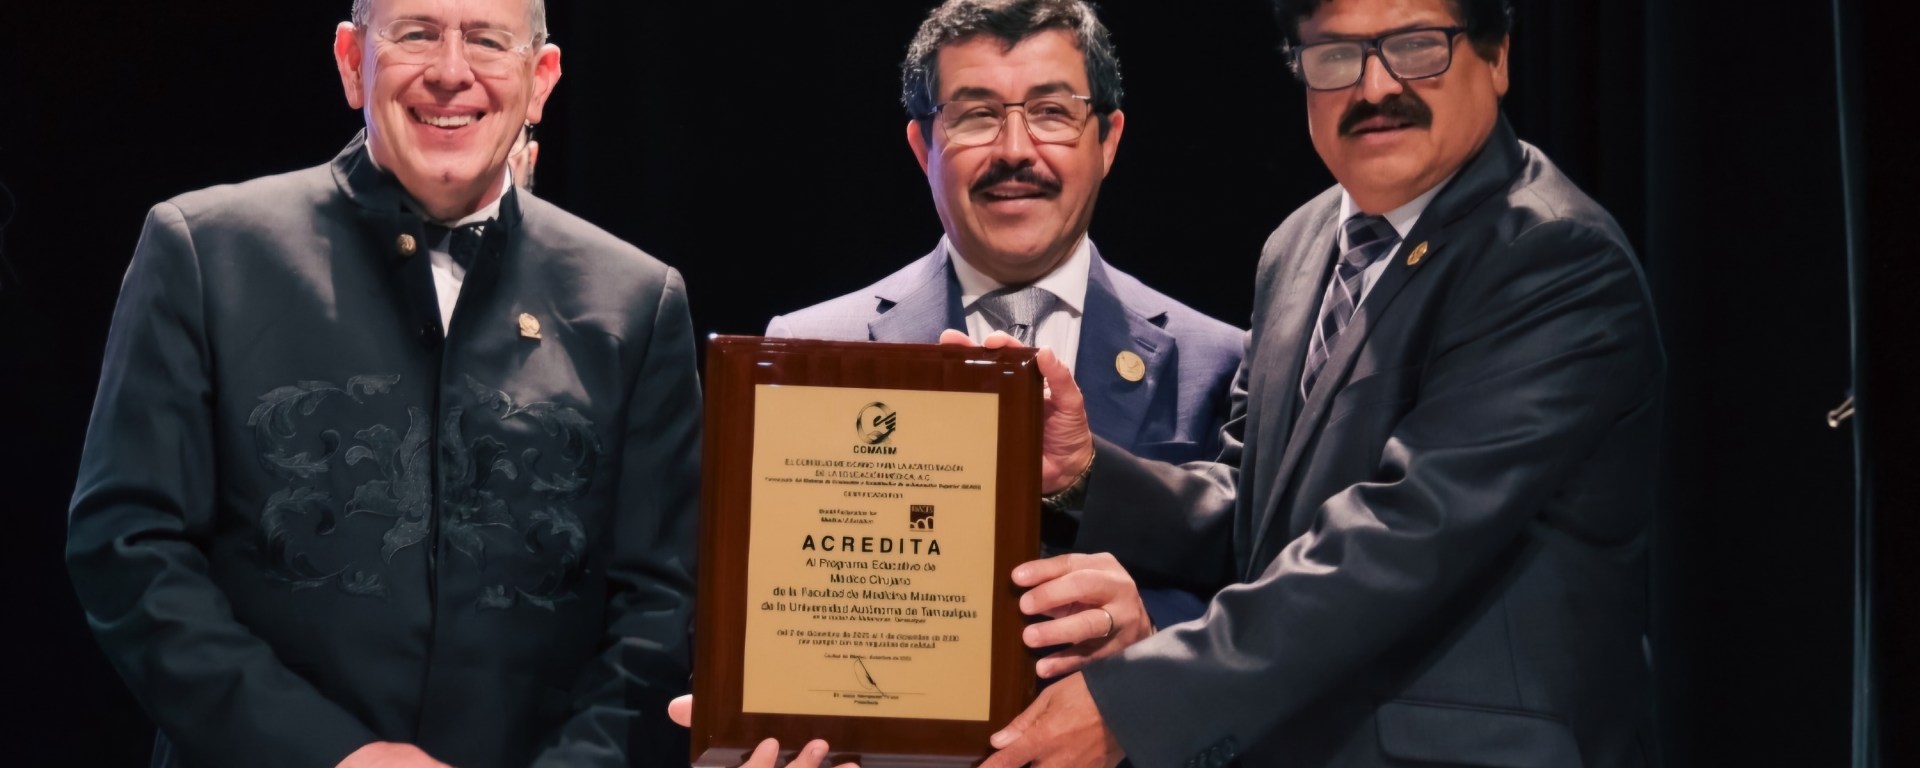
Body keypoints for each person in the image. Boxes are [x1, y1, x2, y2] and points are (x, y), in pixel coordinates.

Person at [971, 0, 1666, 765]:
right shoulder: (1299, 246)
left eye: (1416, 46)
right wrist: (1083, 474)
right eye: (1335, 54)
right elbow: (1258, 510)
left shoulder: (1552, 255)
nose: (1375, 87)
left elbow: (1403, 535)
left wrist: (1132, 706)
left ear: (1496, 57)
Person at [65, 1, 698, 766]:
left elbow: (661, 606)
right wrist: (333, 755)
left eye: (487, 41)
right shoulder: (205, 252)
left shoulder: (636, 303)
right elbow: (128, 548)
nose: (451, 73)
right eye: (417, 34)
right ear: (350, 62)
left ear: (541, 79)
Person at [766, 0, 1244, 629]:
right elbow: (778, 592)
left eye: (1052, 112)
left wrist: (1151, 639)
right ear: (923, 148)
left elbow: (1256, 588)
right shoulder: (809, 351)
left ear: (1108, 141)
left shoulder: (1220, 362)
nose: (1016, 151)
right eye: (976, 116)